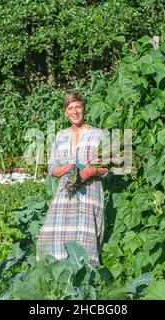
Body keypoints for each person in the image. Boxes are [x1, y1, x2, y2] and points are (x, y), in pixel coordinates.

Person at [37, 92, 109, 266]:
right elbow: (52, 168)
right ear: (65, 112)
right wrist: (68, 168)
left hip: (90, 190)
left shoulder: (100, 135)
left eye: (78, 107)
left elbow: (108, 167)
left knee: (85, 231)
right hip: (66, 190)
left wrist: (92, 171)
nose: (75, 112)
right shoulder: (60, 136)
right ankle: (56, 268)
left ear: (84, 109)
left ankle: (86, 270)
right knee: (54, 231)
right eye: (71, 108)